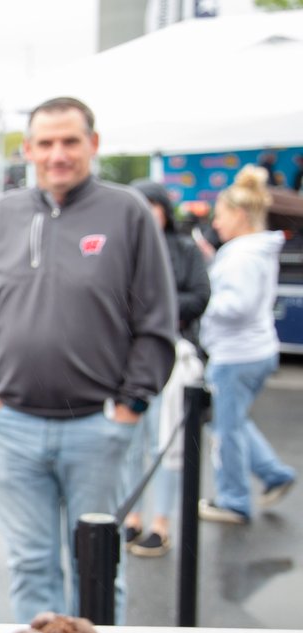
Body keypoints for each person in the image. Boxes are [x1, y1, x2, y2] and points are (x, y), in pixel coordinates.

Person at [0, 96, 176, 623]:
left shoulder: (127, 213)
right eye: (47, 143)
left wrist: (130, 407)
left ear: (93, 145)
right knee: (31, 565)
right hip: (10, 426)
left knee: (97, 568)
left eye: (70, 141)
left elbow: (157, 322)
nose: (58, 154)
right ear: (28, 150)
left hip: (97, 430)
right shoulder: (4, 216)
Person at [196, 165, 296, 524]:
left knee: (227, 430)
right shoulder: (253, 251)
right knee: (232, 423)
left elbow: (236, 305)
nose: (217, 223)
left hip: (235, 354)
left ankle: (234, 501)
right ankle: (274, 474)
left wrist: (202, 299)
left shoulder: (241, 255)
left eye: (220, 215)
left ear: (239, 214)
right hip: (252, 350)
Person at [119, 180, 212, 557]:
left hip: (172, 355)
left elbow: (200, 296)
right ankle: (133, 516)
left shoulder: (184, 248)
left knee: (167, 445)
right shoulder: (124, 248)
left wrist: (157, 309)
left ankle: (162, 521)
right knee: (131, 444)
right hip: (127, 358)